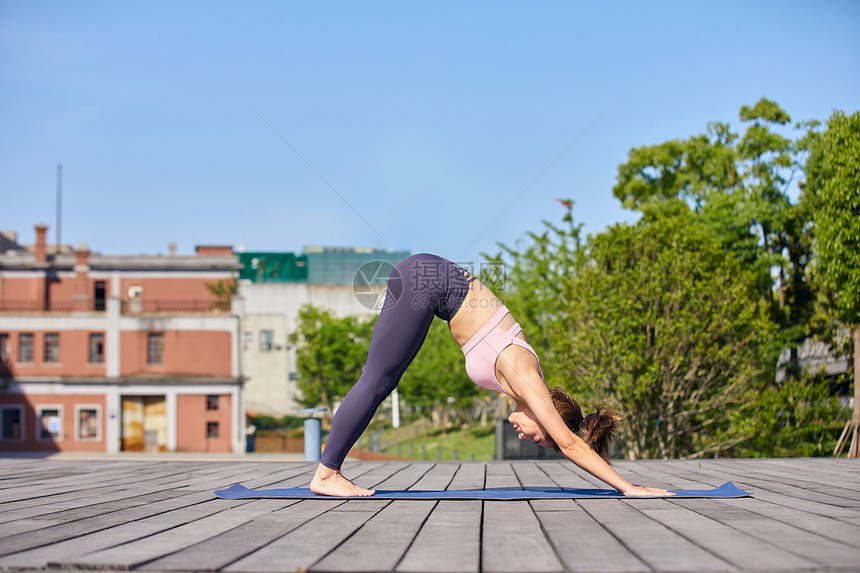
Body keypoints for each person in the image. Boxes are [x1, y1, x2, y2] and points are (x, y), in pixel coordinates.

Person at [309, 253, 673, 497]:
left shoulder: (524, 381)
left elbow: (567, 438)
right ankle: (327, 474)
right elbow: (571, 443)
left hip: (430, 282)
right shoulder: (528, 379)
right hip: (429, 280)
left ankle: (328, 471)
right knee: (379, 380)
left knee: (382, 379)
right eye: (540, 437)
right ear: (546, 417)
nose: (531, 439)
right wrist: (627, 487)